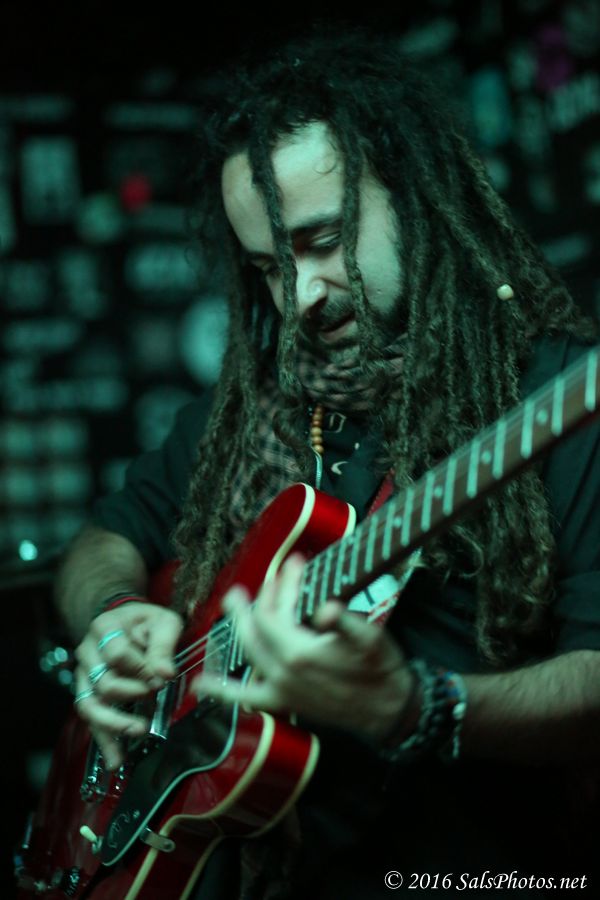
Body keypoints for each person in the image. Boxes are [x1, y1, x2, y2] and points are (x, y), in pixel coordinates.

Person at [55, 30, 600, 899]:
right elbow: (104, 538)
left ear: (413, 199)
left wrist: (420, 706)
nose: (303, 295)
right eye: (271, 267)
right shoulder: (249, 411)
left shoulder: (559, 395)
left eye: (325, 239)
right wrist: (114, 617)